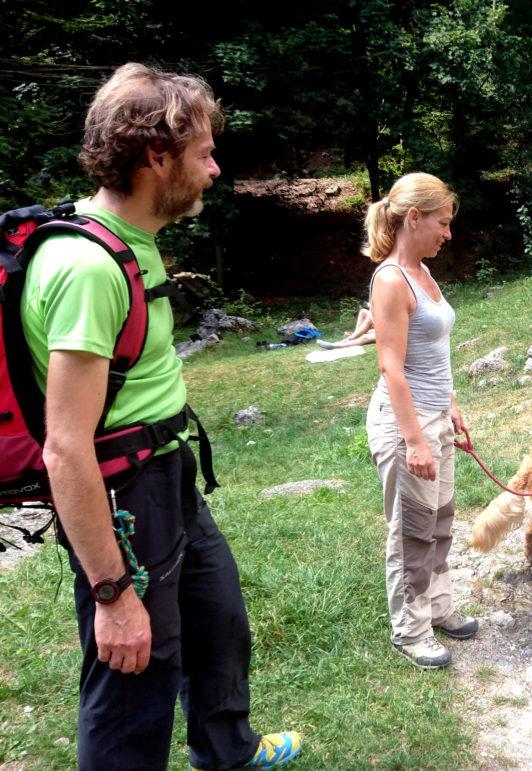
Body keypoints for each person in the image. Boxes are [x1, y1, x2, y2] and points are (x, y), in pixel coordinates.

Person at [21, 63, 301, 770]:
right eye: (202, 152)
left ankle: (227, 750)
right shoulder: (87, 270)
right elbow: (64, 448)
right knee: (136, 671)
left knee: (218, 624)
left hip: (169, 472)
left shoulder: (130, 240)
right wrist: (113, 592)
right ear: (155, 155)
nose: (214, 168)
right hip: (125, 497)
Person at [363, 173, 478, 669]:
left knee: (441, 519)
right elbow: (391, 366)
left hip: (435, 416)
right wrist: (414, 440)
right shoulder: (391, 279)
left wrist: (451, 406)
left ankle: (437, 606)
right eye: (442, 222)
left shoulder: (425, 274)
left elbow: (434, 353)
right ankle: (410, 631)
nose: (448, 233)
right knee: (412, 528)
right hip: (404, 423)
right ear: (415, 218)